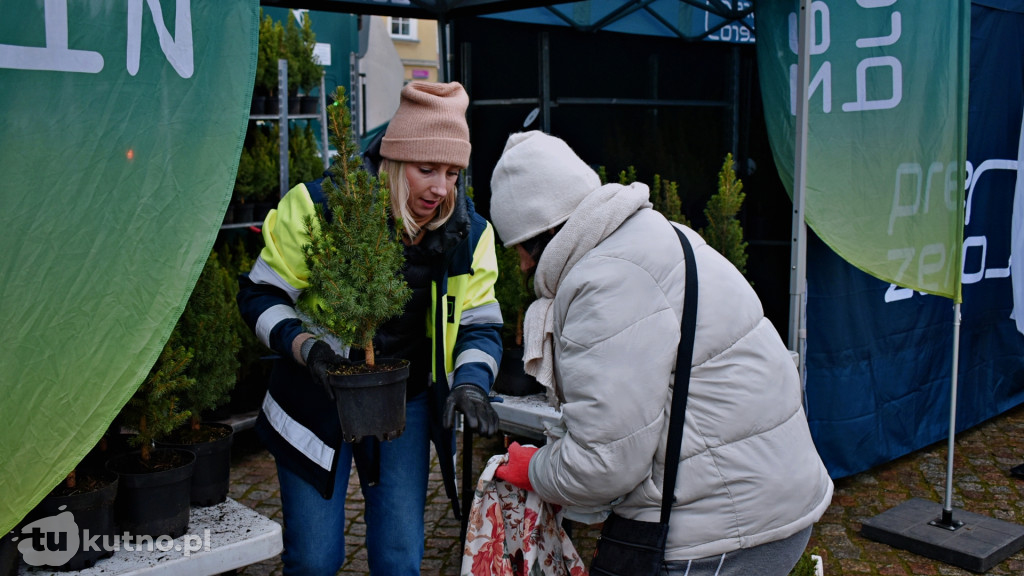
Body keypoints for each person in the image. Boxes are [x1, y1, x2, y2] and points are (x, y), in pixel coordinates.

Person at [487, 130, 834, 576]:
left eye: (520, 248)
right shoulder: (661, 237)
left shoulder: (605, 280)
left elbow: (604, 463)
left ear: (545, 232)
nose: (523, 266)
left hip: (721, 531)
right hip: (768, 502)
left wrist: (534, 469)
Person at [237, 81, 503, 575]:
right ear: (394, 161)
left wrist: (470, 385)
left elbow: (479, 324)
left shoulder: (470, 234)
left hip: (408, 398)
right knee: (316, 559)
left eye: (452, 172)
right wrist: (307, 349)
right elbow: (260, 295)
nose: (441, 189)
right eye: (427, 169)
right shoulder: (319, 209)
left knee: (399, 557)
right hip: (313, 396)